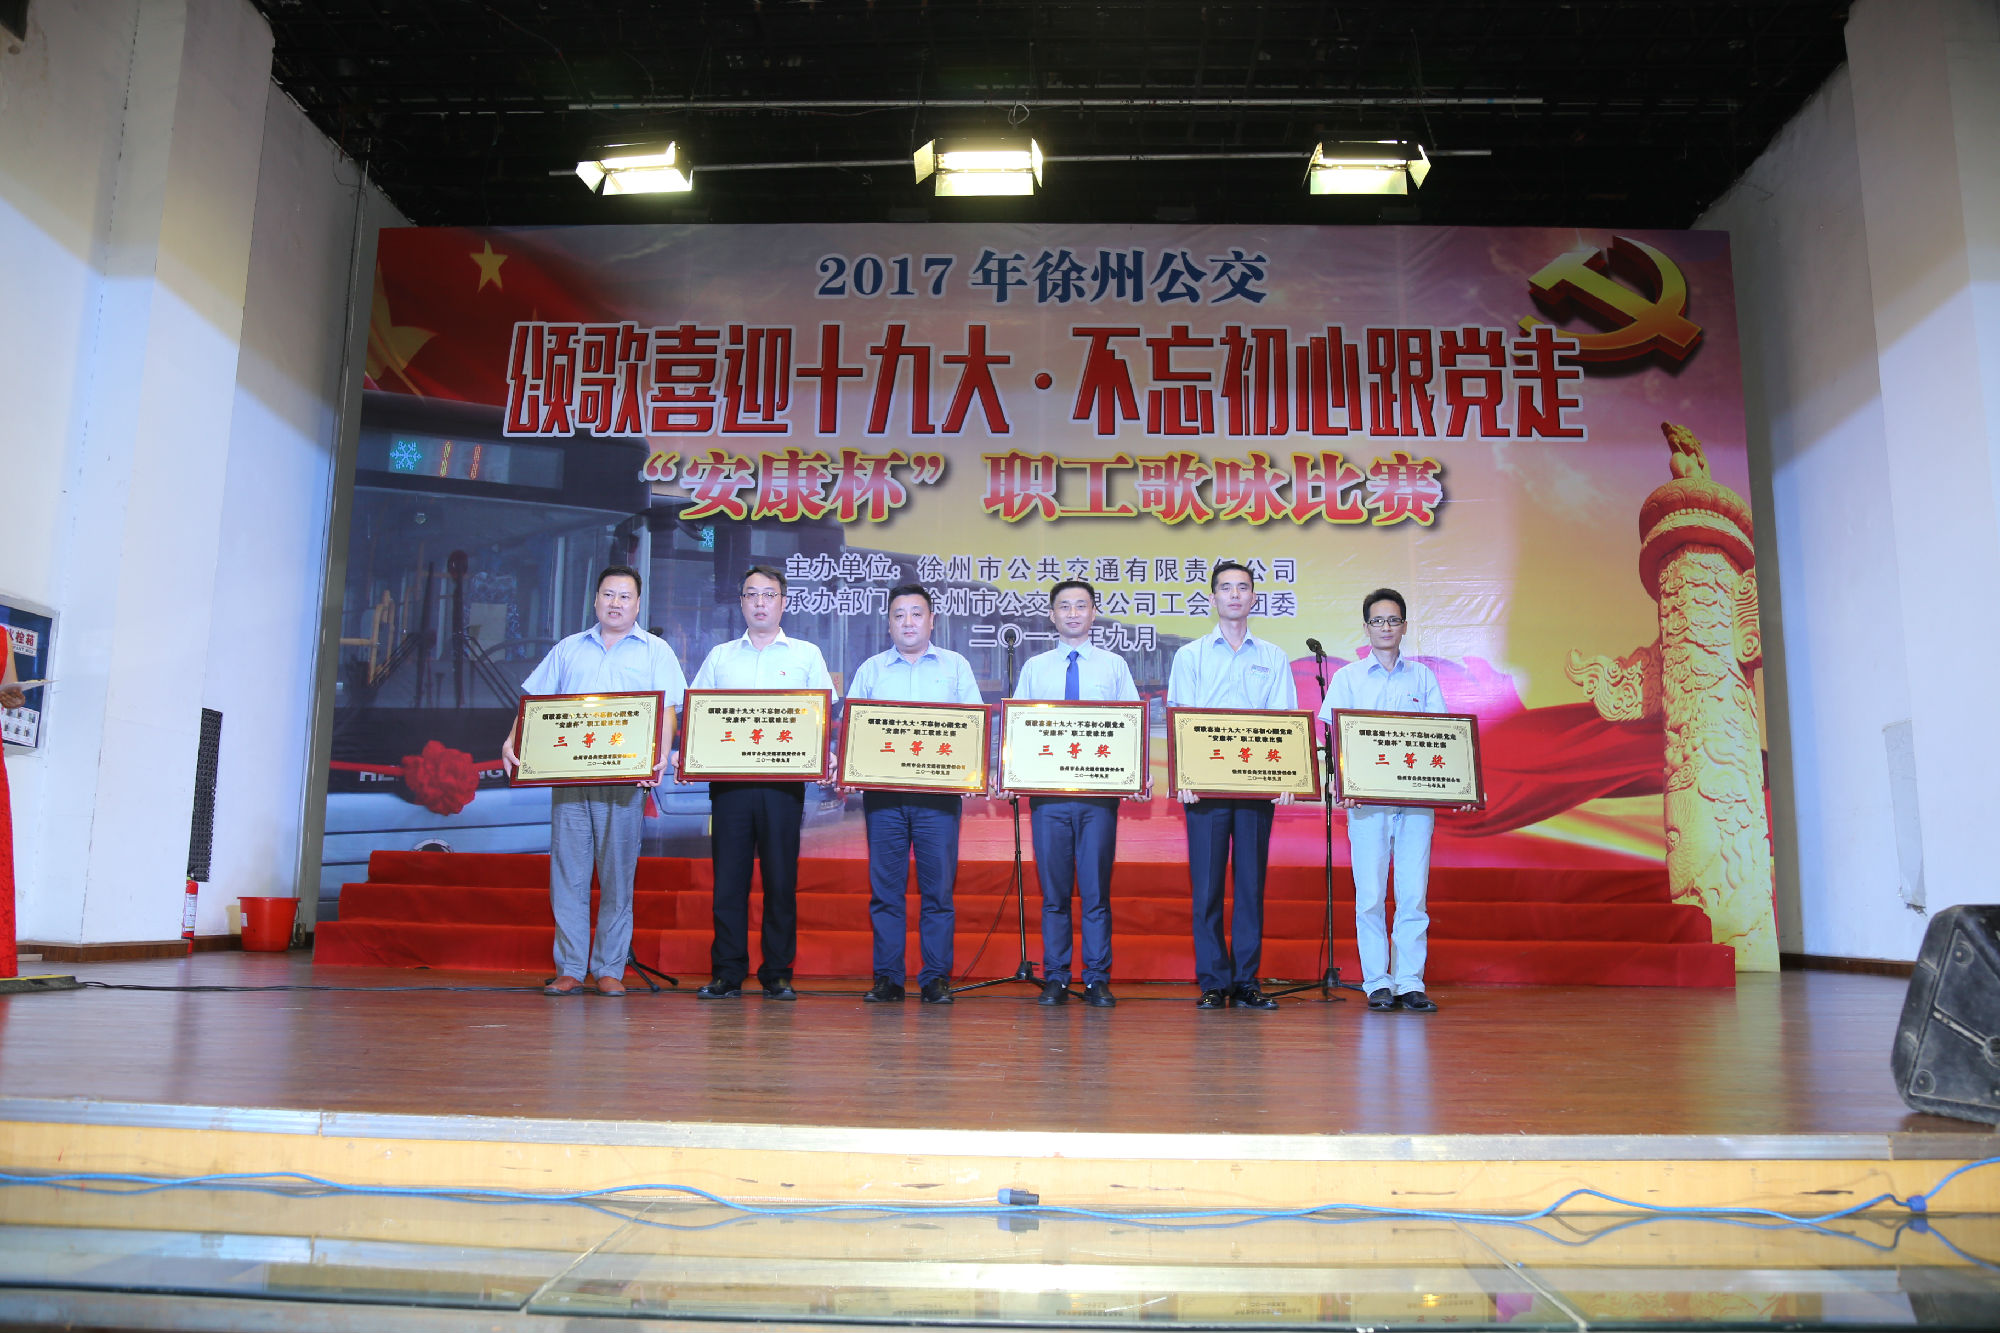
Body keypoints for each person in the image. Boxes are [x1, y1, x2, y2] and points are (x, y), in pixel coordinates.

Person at [502, 565, 684, 998]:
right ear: (596, 599)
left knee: (618, 875)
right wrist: (512, 739)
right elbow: (536, 704)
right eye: (608, 594)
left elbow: (668, 710)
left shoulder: (655, 651)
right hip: (570, 777)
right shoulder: (568, 649)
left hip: (625, 781)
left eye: (624, 596)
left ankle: (609, 967)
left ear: (637, 604)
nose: (615, 603)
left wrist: (659, 755)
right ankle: (569, 967)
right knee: (568, 872)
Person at [685, 565, 837, 1002]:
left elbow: (823, 716)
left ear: (783, 602)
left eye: (769, 595)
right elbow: (699, 714)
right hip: (730, 787)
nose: (760, 603)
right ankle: (727, 972)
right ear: (741, 603)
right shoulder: (720, 657)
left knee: (780, 879)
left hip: (783, 787)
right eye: (751, 594)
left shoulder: (806, 655)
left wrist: (824, 751)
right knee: (728, 881)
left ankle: (777, 972)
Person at [1166, 561, 1297, 1011]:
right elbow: (1180, 720)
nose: (1235, 595)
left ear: (1254, 598)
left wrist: (1286, 778)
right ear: (1213, 598)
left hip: (1257, 788)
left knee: (1250, 886)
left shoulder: (1274, 657)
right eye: (1226, 588)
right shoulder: (1191, 656)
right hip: (1204, 790)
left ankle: (1246, 981)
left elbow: (1284, 722)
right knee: (1206, 888)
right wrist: (1183, 778)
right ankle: (1211, 980)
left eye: (1243, 587)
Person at [846, 583, 985, 1004]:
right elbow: (852, 729)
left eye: (916, 613)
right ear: (888, 623)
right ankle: (888, 978)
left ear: (932, 620)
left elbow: (973, 727)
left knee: (938, 892)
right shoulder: (871, 670)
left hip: (937, 800)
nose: (908, 622)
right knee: (886, 891)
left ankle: (935, 977)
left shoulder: (956, 667)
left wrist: (973, 771)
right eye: (899, 615)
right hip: (884, 799)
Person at [1009, 579, 1141, 1008]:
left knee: (1096, 892)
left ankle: (1097, 978)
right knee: (1054, 894)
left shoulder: (1114, 666)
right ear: (1052, 615)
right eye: (1064, 606)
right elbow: (1019, 728)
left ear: (1093, 613)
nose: (1072, 613)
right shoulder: (1035, 668)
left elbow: (1131, 726)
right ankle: (1057, 977)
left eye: (1080, 605)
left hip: (1098, 800)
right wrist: (1008, 771)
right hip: (1048, 801)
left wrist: (1137, 774)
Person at [1320, 587, 1452, 1014]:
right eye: (1378, 621)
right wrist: (1342, 783)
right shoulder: (1348, 678)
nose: (1386, 628)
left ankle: (1410, 981)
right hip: (1366, 804)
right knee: (1371, 894)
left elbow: (1443, 738)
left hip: (1415, 802)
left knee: (1413, 894)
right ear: (1366, 628)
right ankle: (1377, 981)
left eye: (1393, 620)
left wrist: (1459, 785)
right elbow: (1334, 737)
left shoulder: (1423, 678)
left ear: (1405, 626)